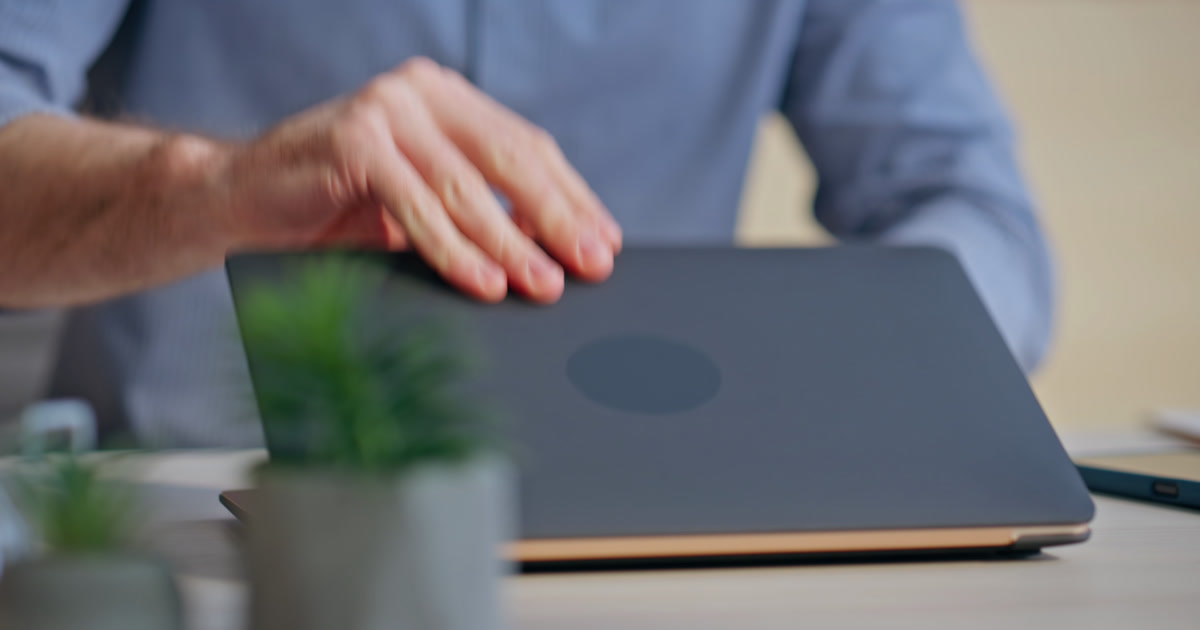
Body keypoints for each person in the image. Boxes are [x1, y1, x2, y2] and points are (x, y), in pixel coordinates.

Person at [0, 1, 1053, 446]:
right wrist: (215, 184)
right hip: (200, 505)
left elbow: (977, 214)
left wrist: (796, 369)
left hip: (667, 528)